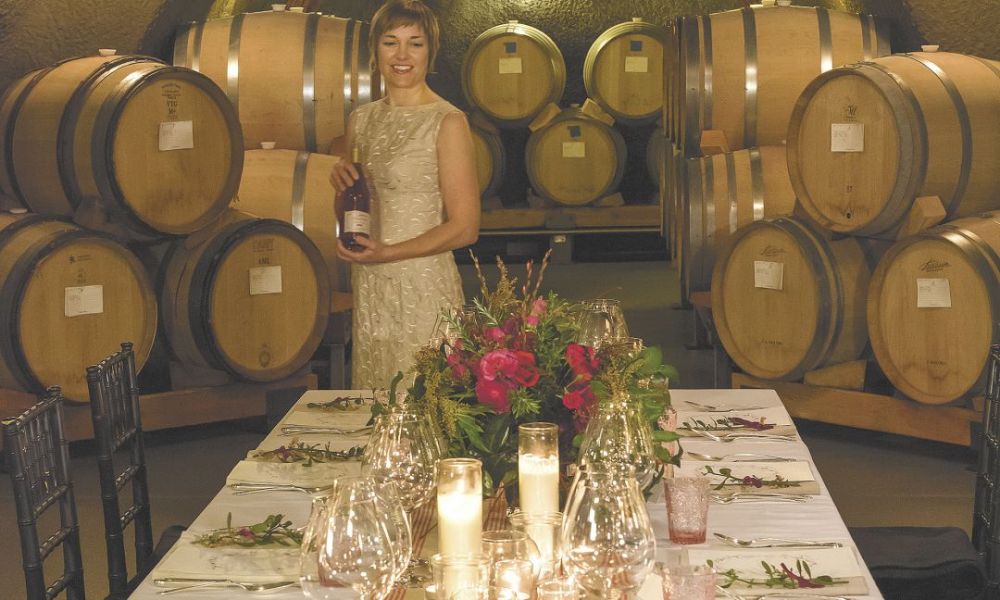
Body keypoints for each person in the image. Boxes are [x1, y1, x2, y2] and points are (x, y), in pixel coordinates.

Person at [330, 0, 480, 389]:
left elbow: (465, 229)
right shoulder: (360, 120)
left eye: (415, 43)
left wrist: (389, 254)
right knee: (379, 407)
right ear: (374, 50)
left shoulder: (447, 121)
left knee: (425, 405)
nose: (401, 55)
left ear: (430, 52)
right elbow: (353, 207)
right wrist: (339, 183)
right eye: (390, 42)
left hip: (422, 286)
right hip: (371, 287)